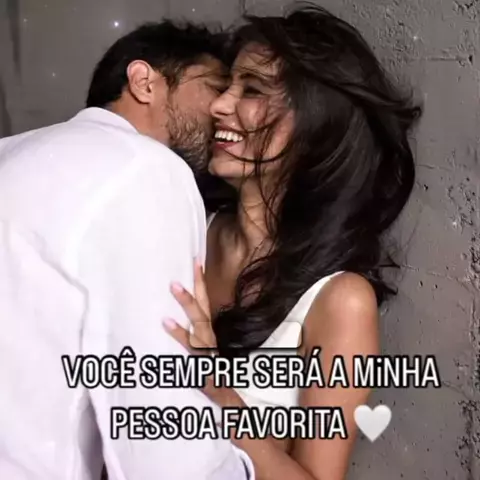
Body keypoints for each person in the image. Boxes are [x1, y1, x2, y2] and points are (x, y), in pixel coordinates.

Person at [164, 5, 422, 480]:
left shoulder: (340, 301)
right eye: (227, 86)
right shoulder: (185, 226)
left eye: (252, 90)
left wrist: (215, 391)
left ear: (314, 125)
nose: (220, 106)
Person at [0, 21, 253, 480]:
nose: (222, 108)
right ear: (143, 81)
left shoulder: (12, 153)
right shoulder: (146, 168)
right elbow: (161, 432)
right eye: (215, 87)